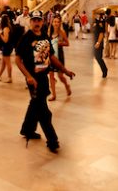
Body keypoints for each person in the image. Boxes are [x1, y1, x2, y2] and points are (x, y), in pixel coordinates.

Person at [14, 12, 75, 153]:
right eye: (34, 20)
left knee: (35, 104)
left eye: (39, 20)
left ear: (42, 22)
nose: (36, 22)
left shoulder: (44, 36)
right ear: (30, 22)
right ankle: (52, 140)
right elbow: (17, 59)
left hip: (43, 77)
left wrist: (64, 70)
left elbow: (51, 56)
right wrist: (28, 76)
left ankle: (27, 130)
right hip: (33, 80)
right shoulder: (26, 38)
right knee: (44, 112)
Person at [48, 15, 72, 100]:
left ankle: (67, 85)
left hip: (60, 56)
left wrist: (59, 43)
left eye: (58, 22)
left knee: (60, 76)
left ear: (60, 23)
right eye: (54, 22)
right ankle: (54, 95)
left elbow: (67, 43)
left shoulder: (62, 32)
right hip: (51, 56)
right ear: (52, 22)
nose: (56, 23)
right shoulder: (49, 31)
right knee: (51, 75)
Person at [92, 12, 109, 79]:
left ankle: (105, 70)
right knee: (97, 57)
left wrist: (98, 43)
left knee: (98, 57)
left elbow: (101, 33)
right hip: (95, 42)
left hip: (98, 43)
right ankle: (104, 69)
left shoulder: (99, 22)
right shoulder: (94, 23)